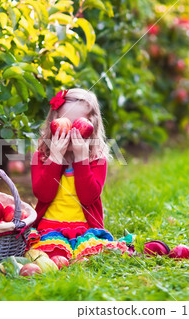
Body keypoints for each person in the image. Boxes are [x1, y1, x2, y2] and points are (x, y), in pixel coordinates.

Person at [27, 88, 128, 260]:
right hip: (49, 227)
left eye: (78, 125)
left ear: (92, 126)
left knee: (93, 253)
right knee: (49, 252)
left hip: (85, 228)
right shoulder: (42, 157)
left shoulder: (97, 159)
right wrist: (55, 157)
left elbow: (88, 197)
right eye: (65, 123)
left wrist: (81, 159)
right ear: (54, 123)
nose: (71, 132)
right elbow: (43, 195)